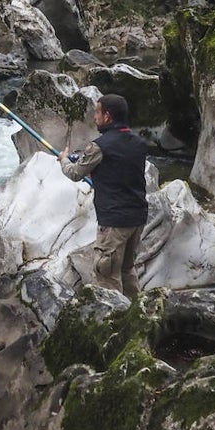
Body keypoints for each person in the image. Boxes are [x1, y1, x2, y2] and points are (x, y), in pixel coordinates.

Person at [58, 93, 149, 298]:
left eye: (97, 113)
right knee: (127, 270)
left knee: (107, 275)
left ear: (107, 116)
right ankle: (136, 315)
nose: (95, 118)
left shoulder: (99, 146)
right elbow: (119, 167)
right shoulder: (138, 143)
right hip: (137, 218)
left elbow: (74, 173)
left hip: (114, 222)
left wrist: (64, 159)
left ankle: (113, 322)